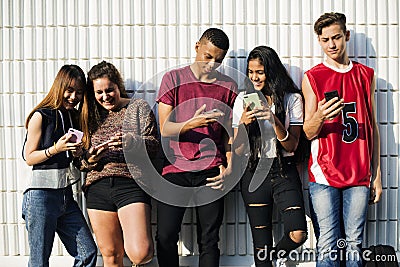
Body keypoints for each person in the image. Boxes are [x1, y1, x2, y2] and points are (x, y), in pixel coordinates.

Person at [302, 12, 382, 266]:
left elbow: (372, 127)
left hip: (358, 173)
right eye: (325, 40)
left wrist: (376, 174)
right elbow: (307, 131)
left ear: (346, 36)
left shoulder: (365, 75)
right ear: (319, 41)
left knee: (354, 244)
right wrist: (321, 117)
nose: (332, 44)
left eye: (336, 37)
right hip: (324, 173)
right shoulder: (313, 76)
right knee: (327, 243)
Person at [155, 28, 238, 267]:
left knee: (209, 239)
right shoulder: (173, 78)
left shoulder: (229, 86)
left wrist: (229, 167)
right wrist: (192, 123)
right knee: (166, 236)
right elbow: (164, 128)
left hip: (211, 170)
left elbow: (229, 135)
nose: (212, 64)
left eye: (218, 60)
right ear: (197, 47)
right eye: (208, 56)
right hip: (174, 168)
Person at [232, 46, 307, 267]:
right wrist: (244, 124)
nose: (254, 77)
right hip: (253, 171)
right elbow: (236, 150)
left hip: (284, 169)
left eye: (260, 72)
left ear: (271, 71)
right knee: (260, 243)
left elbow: (292, 144)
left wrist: (274, 120)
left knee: (298, 233)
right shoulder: (243, 100)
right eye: (251, 72)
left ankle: (273, 258)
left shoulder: (292, 99)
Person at [79, 61, 159, 267]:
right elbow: (79, 160)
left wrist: (131, 142)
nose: (105, 96)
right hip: (97, 184)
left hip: (131, 182)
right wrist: (90, 159)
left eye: (109, 90)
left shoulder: (138, 107)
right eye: (99, 92)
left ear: (118, 86)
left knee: (141, 253)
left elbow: (154, 146)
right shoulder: (89, 116)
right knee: (111, 255)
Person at [22, 64, 97, 267]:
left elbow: (73, 160)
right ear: (59, 87)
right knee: (39, 261)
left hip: (65, 194)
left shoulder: (73, 116)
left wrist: (80, 153)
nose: (73, 97)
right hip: (40, 196)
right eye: (69, 90)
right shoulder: (41, 115)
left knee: (88, 253)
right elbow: (28, 157)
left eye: (79, 92)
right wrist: (56, 148)